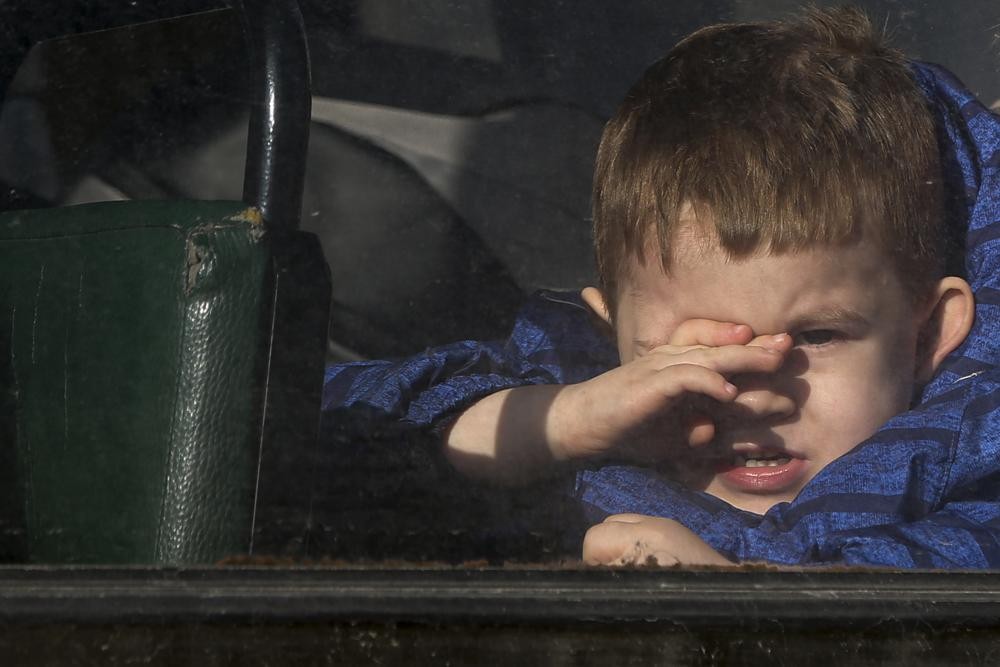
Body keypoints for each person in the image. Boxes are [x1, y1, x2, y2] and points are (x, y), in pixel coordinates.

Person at [323, 7, 1000, 568]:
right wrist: (568, 422)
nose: (755, 393)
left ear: (929, 332)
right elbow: (330, 431)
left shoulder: (970, 470)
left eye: (816, 335)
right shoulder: (579, 409)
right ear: (609, 334)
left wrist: (728, 599)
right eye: (690, 349)